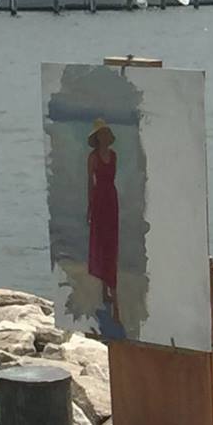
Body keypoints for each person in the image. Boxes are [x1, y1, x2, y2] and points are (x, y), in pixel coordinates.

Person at [85, 119, 121, 334]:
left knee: (111, 244)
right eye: (101, 135)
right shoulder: (93, 158)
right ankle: (106, 294)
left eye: (106, 134)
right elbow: (91, 183)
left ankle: (110, 292)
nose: (105, 138)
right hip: (99, 200)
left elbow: (110, 179)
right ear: (97, 138)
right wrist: (89, 207)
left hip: (111, 199)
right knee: (101, 243)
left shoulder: (114, 156)